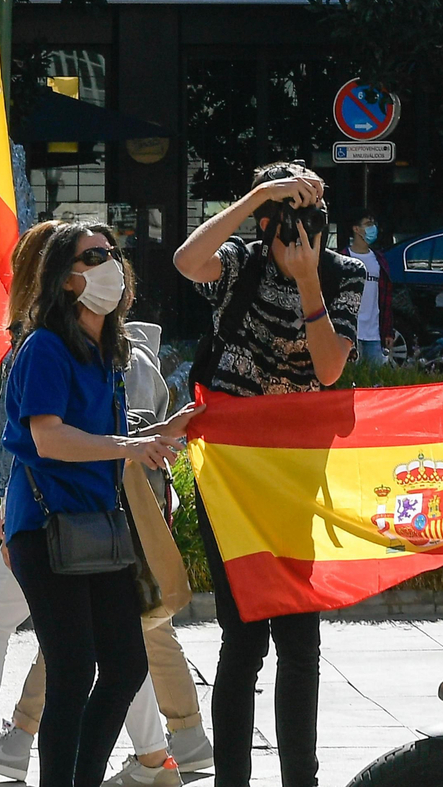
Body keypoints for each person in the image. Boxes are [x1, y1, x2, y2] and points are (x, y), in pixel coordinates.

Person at [0, 225, 214, 787]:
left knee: (124, 665)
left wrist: (162, 431)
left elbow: (102, 436)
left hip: (99, 525)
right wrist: (129, 445)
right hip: (44, 527)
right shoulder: (45, 345)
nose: (111, 263)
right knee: (72, 669)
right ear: (66, 278)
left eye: (113, 253)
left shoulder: (108, 350)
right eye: (95, 255)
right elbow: (49, 440)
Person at [174, 161, 364, 787]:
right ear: (265, 221)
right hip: (229, 474)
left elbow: (331, 369)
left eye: (311, 219)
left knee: (300, 638)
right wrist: (257, 195)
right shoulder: (241, 261)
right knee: (244, 636)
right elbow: (185, 260)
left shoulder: (342, 275)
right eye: (286, 219)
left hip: (294, 476)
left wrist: (309, 283)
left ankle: (299, 780)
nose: (300, 234)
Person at [341, 209, 393, 365]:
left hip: (373, 334)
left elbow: (385, 300)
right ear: (356, 229)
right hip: (350, 333)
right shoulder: (343, 258)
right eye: (368, 224)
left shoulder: (379, 260)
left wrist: (387, 331)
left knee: (374, 381)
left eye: (373, 224)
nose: (373, 228)